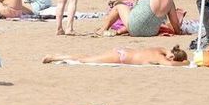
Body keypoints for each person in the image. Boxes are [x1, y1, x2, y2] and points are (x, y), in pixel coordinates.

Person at [43, 45, 188, 66]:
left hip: (122, 51)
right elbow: (171, 65)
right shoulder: (160, 58)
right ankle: (56, 57)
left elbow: (163, 48)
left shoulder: (158, 51)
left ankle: (60, 56)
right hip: (120, 57)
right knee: (85, 60)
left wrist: (168, 52)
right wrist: (185, 63)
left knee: (88, 57)